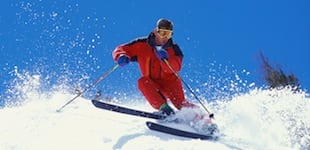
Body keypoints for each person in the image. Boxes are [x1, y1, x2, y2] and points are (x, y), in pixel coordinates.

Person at [112, 18, 195, 116]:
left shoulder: (174, 49)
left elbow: (176, 67)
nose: (165, 38)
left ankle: (204, 120)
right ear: (156, 32)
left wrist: (166, 60)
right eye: (162, 33)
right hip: (153, 84)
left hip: (171, 84)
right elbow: (121, 49)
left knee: (181, 105)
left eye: (168, 34)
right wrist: (120, 56)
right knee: (143, 82)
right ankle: (165, 110)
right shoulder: (142, 44)